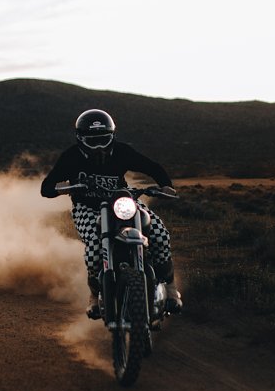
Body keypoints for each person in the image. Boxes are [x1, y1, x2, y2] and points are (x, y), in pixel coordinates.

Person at [40, 108, 183, 318]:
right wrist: (64, 189)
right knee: (94, 248)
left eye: (103, 139)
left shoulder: (122, 151)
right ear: (81, 138)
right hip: (87, 207)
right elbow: (47, 187)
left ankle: (170, 289)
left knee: (160, 234)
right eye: (92, 140)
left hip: (124, 202)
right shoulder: (70, 157)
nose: (99, 145)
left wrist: (165, 185)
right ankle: (94, 295)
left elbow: (151, 167)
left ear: (112, 136)